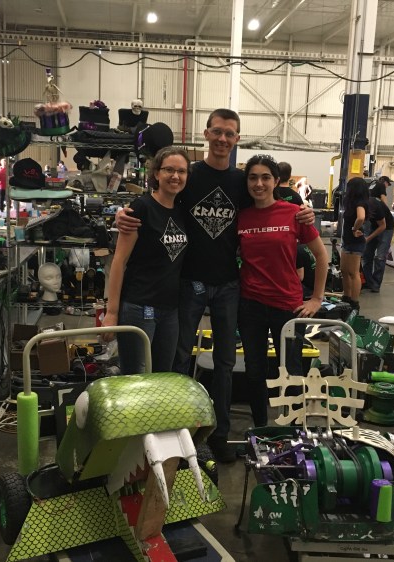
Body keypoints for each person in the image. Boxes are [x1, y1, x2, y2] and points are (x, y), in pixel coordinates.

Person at [115, 109, 316, 463]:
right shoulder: (189, 175)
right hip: (188, 282)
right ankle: (176, 430)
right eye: (217, 132)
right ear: (207, 133)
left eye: (230, 134)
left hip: (228, 285)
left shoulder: (241, 181)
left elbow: (268, 203)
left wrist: (303, 213)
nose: (223, 139)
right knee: (179, 359)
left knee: (224, 362)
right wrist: (125, 213)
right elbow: (160, 200)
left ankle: (220, 434)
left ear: (237, 139)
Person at [237, 155, 328, 427]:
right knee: (254, 371)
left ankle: (293, 430)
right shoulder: (242, 216)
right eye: (253, 178)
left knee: (291, 371)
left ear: (276, 181)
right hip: (251, 305)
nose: (259, 183)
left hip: (288, 307)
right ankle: (261, 427)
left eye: (265, 177)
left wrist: (316, 298)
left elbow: (321, 256)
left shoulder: (294, 213)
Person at [103, 147, 190, 375]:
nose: (175, 176)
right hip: (139, 307)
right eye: (169, 170)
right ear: (157, 173)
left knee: (163, 378)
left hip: (170, 311)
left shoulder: (182, 211)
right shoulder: (141, 208)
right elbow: (119, 261)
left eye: (181, 171)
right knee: (135, 379)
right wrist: (111, 312)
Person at [362, 178, 394, 293]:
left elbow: (383, 226)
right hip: (375, 225)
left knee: (380, 256)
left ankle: (376, 284)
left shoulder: (374, 206)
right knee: (367, 255)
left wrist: (368, 238)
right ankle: (368, 281)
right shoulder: (362, 204)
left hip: (386, 227)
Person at [340, 177, 369, 310]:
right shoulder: (352, 203)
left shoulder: (360, 203)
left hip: (355, 242)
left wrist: (354, 229)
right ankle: (346, 296)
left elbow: (361, 217)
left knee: (353, 272)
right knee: (344, 270)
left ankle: (354, 301)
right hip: (347, 240)